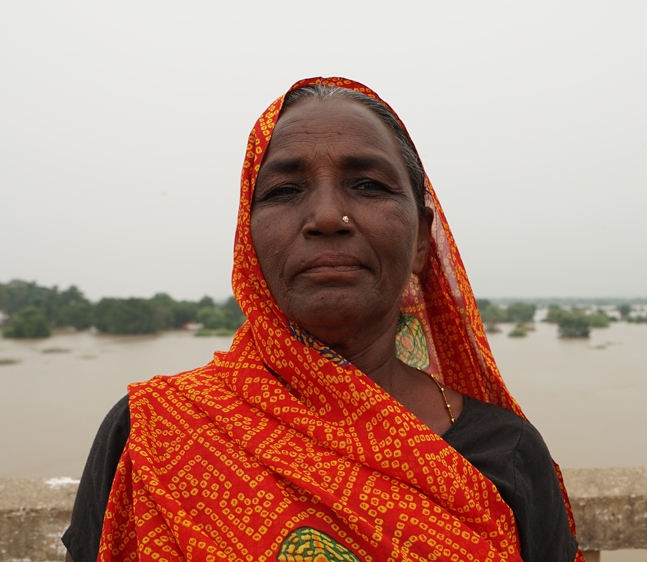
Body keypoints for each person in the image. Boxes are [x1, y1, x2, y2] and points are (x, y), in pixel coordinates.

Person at [62, 77, 582, 562]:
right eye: (285, 191)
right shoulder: (150, 432)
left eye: (368, 185)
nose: (329, 217)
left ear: (423, 237)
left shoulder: (506, 451)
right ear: (249, 239)